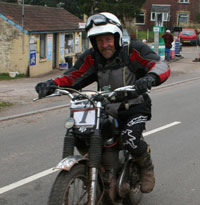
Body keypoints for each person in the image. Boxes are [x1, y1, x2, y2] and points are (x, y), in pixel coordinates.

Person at [35, 12, 170, 193]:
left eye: (108, 39)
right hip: (107, 107)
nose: (104, 44)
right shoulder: (93, 56)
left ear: (116, 36)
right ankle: (100, 169)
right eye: (99, 40)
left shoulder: (133, 50)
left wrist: (151, 77)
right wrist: (52, 84)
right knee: (82, 133)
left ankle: (146, 168)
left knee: (129, 137)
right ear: (93, 42)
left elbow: (159, 64)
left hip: (135, 106)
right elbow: (74, 75)